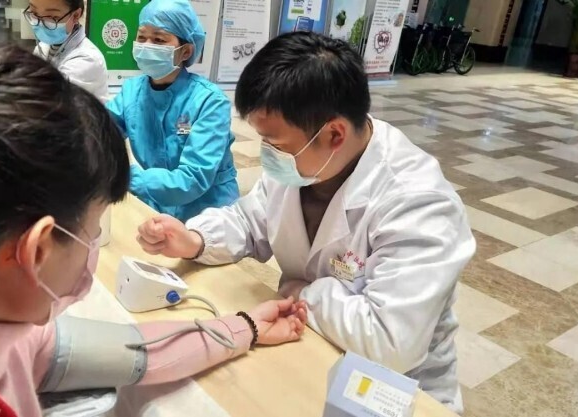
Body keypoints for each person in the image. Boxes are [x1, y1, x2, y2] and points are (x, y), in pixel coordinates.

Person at [0, 44, 308, 417]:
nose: (94, 249)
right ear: (36, 249)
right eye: (92, 231)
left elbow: (131, 353)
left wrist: (243, 327)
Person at [137, 32, 475, 413]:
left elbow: (389, 341)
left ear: (334, 134)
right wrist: (196, 239)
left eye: (276, 144)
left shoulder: (419, 203)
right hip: (310, 348)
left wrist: (300, 292)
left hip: (395, 391)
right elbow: (250, 220)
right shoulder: (303, 164)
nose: (268, 155)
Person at [107, 0, 239, 222]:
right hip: (158, 203)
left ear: (185, 51)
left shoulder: (210, 101)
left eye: (159, 40)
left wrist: (123, 176)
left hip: (209, 210)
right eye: (141, 37)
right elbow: (100, 130)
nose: (146, 45)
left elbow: (193, 178)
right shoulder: (132, 91)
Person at [26, 0, 108, 102]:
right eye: (34, 13)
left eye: (52, 17)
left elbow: (49, 102)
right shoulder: (43, 47)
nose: (40, 24)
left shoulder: (87, 59)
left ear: (75, 16)